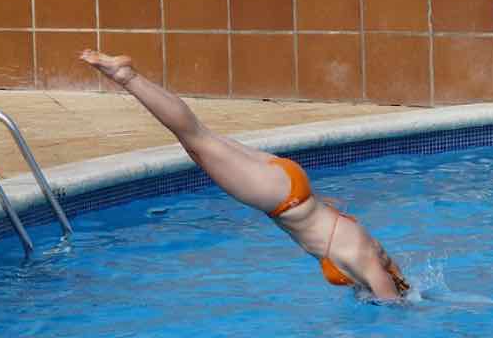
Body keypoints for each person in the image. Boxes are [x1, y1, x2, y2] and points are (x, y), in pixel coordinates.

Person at [80, 50, 410, 301]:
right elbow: (392, 309)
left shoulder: (365, 247)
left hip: (288, 183)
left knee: (197, 138)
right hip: (281, 197)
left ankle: (129, 77)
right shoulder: (366, 262)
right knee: (196, 138)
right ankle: (126, 77)